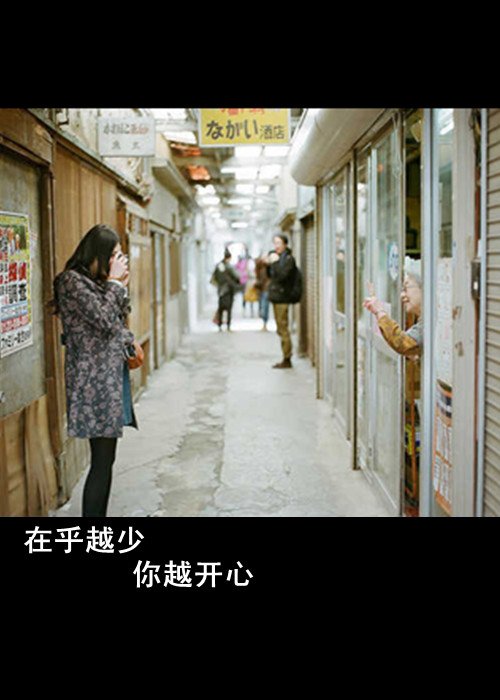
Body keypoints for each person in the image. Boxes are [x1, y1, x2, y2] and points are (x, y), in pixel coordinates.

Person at [50, 224, 138, 517]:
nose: (117, 261)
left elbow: (115, 323)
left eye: (120, 255)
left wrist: (119, 286)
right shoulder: (71, 282)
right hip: (92, 383)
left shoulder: (98, 283)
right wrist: (115, 284)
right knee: (101, 461)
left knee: (106, 459)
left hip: (109, 378)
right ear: (97, 254)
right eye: (113, 255)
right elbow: (102, 319)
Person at [363, 256, 422, 516]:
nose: (402, 295)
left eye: (407, 287)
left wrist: (380, 312)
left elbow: (402, 343)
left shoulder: (429, 321)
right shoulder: (422, 320)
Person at [264, 233, 297, 369]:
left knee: (283, 328)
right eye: (275, 243)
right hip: (277, 297)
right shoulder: (278, 257)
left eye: (279, 243)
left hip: (283, 298)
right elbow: (271, 276)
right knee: (280, 328)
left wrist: (275, 262)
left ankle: (287, 358)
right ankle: (285, 356)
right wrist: (268, 264)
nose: (276, 246)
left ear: (285, 244)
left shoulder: (288, 259)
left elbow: (282, 276)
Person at [211, 249, 240, 331]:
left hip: (221, 290)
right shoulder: (229, 266)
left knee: (221, 307)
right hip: (229, 290)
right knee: (229, 308)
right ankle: (228, 325)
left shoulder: (219, 266)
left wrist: (219, 285)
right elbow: (237, 277)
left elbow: (213, 278)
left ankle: (220, 325)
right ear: (229, 258)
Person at [255, 253, 271, 331]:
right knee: (262, 306)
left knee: (265, 306)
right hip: (261, 289)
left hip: (266, 289)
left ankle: (265, 324)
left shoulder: (268, 267)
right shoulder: (259, 267)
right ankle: (264, 323)